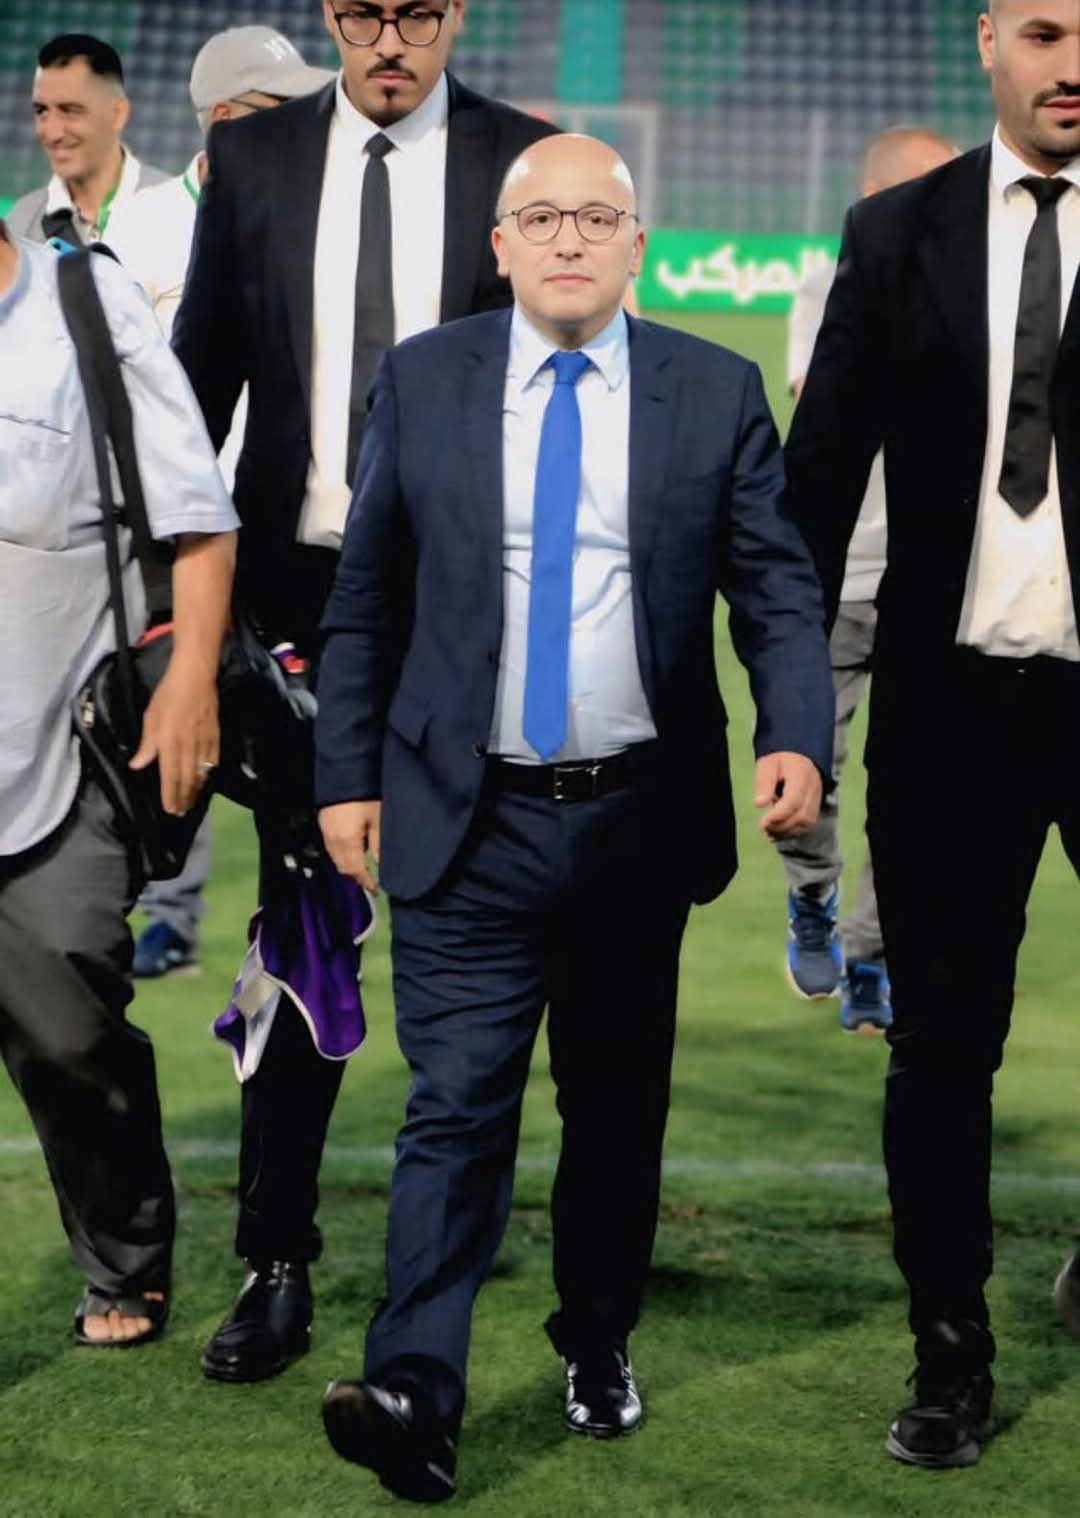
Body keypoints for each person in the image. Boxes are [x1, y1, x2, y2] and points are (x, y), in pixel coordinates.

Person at [314, 132, 833, 1503]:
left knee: (612, 1113)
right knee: (453, 1107)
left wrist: (794, 731)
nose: (566, 240)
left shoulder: (712, 390)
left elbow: (776, 588)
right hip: (459, 817)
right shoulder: (424, 378)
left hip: (630, 826)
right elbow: (366, 598)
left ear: (636, 244)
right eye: (539, 218)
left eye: (595, 219)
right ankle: (413, 1392)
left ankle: (596, 1339)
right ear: (500, 246)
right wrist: (345, 776)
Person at [173, 0, 560, 1387]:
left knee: (487, 938)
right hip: (299, 616)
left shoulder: (526, 162)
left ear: (456, 13)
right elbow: (195, 388)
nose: (389, 40)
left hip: (475, 616)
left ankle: (468, 1255)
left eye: (417, 12)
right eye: (361, 13)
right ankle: (275, 1260)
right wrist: (180, 618)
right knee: (303, 935)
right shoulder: (257, 163)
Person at [785, 0, 1080, 1471]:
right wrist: (794, 713)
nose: (1073, 64)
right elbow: (817, 483)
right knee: (944, 1049)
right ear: (988, 43)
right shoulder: (898, 233)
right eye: (1046, 30)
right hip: (948, 704)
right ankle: (950, 1355)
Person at [0, 220, 238, 1346]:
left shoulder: (83, 307)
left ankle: (127, 1254)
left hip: (57, 748)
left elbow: (198, 517)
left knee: (67, 1028)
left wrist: (191, 680)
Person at [118, 26, 334, 982]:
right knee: (161, 753)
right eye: (281, 112)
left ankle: (298, 973)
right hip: (175, 548)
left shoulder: (321, 220)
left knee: (304, 772)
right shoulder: (138, 234)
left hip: (288, 543)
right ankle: (127, 926)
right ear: (223, 122)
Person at [780, 126, 957, 1031]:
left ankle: (870, 953)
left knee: (916, 790)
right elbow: (827, 404)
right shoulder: (828, 286)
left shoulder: (983, 284)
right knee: (814, 765)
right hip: (844, 576)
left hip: (939, 581)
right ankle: (812, 894)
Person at [7, 34, 166, 247]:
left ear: (117, 114)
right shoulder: (21, 224)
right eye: (41, 110)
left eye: (70, 110)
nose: (53, 133)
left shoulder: (178, 209)